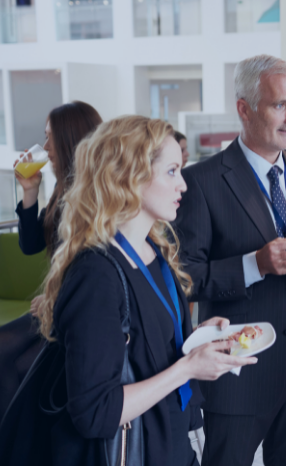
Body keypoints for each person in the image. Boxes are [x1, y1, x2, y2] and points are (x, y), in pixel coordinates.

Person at [16, 116, 255, 466]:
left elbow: (148, 347)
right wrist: (187, 368)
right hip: (137, 450)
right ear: (130, 176)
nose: (183, 185)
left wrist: (194, 339)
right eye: (172, 171)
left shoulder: (154, 251)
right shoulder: (96, 274)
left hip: (171, 439)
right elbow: (95, 412)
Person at [173, 54, 286, 466]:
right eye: (279, 105)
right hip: (239, 371)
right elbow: (185, 278)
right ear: (244, 109)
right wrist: (255, 265)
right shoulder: (201, 181)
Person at [0, 102, 103, 419]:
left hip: (76, 312)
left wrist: (56, 298)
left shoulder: (96, 195)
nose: (44, 148)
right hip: (58, 306)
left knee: (11, 361)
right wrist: (29, 192)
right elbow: (31, 245)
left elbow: (94, 265)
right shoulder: (63, 188)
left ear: (70, 139)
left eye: (49, 138)